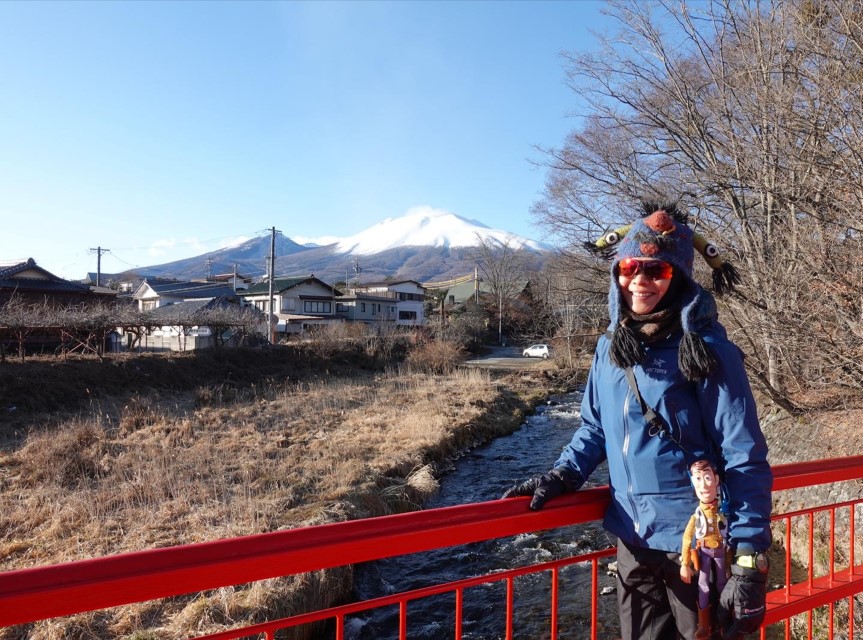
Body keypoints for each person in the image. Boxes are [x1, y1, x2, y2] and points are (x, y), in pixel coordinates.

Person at [503, 202, 772, 640]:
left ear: (678, 277)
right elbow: (594, 427)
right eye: (631, 268)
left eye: (656, 271)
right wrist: (563, 474)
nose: (640, 281)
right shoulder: (611, 347)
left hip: (694, 540)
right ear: (617, 272)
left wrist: (749, 557)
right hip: (631, 534)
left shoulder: (706, 351)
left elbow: (743, 454)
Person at [680, 459, 730, 639]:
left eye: (707, 477)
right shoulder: (697, 514)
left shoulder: (723, 509)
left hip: (722, 552)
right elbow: (687, 538)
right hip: (704, 552)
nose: (703, 485)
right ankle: (704, 624)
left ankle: (725, 619)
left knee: (722, 583)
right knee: (703, 585)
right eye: (698, 479)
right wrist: (685, 563)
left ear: (716, 480)